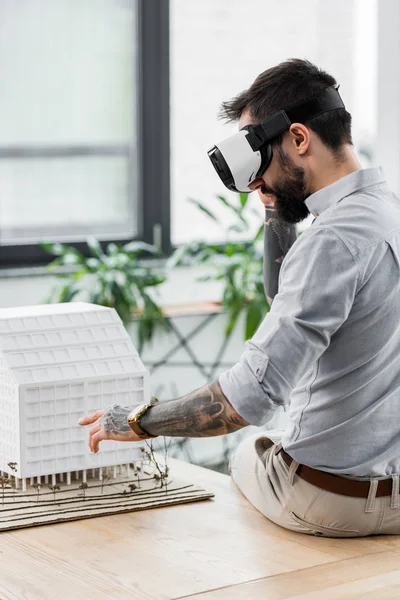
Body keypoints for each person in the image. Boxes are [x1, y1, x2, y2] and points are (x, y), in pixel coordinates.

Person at [79, 59, 400, 538]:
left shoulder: (330, 242)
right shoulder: (387, 211)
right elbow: (284, 299)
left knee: (248, 451)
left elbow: (246, 399)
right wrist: (279, 203)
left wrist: (139, 420)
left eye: (260, 162)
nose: (255, 184)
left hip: (329, 503)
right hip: (393, 496)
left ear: (298, 139)